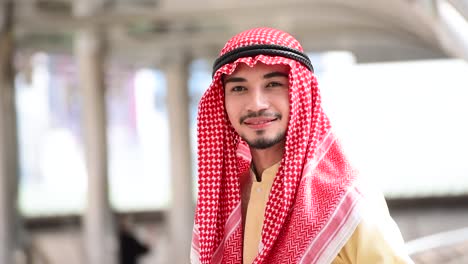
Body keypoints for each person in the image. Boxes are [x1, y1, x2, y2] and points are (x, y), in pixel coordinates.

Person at [191, 27, 413, 264]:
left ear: (301, 92)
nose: (255, 104)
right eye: (239, 88)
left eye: (273, 84)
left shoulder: (347, 200)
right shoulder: (222, 203)